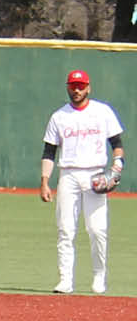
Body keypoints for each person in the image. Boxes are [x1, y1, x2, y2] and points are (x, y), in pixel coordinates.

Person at [39, 68, 122, 293]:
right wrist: (45, 180)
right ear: (68, 87)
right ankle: (66, 279)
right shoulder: (59, 116)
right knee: (66, 229)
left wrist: (117, 165)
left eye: (81, 86)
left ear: (88, 87)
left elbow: (117, 143)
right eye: (73, 86)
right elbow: (49, 151)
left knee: (97, 229)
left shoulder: (102, 112)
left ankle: (99, 275)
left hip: (96, 173)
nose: (77, 90)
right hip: (68, 174)